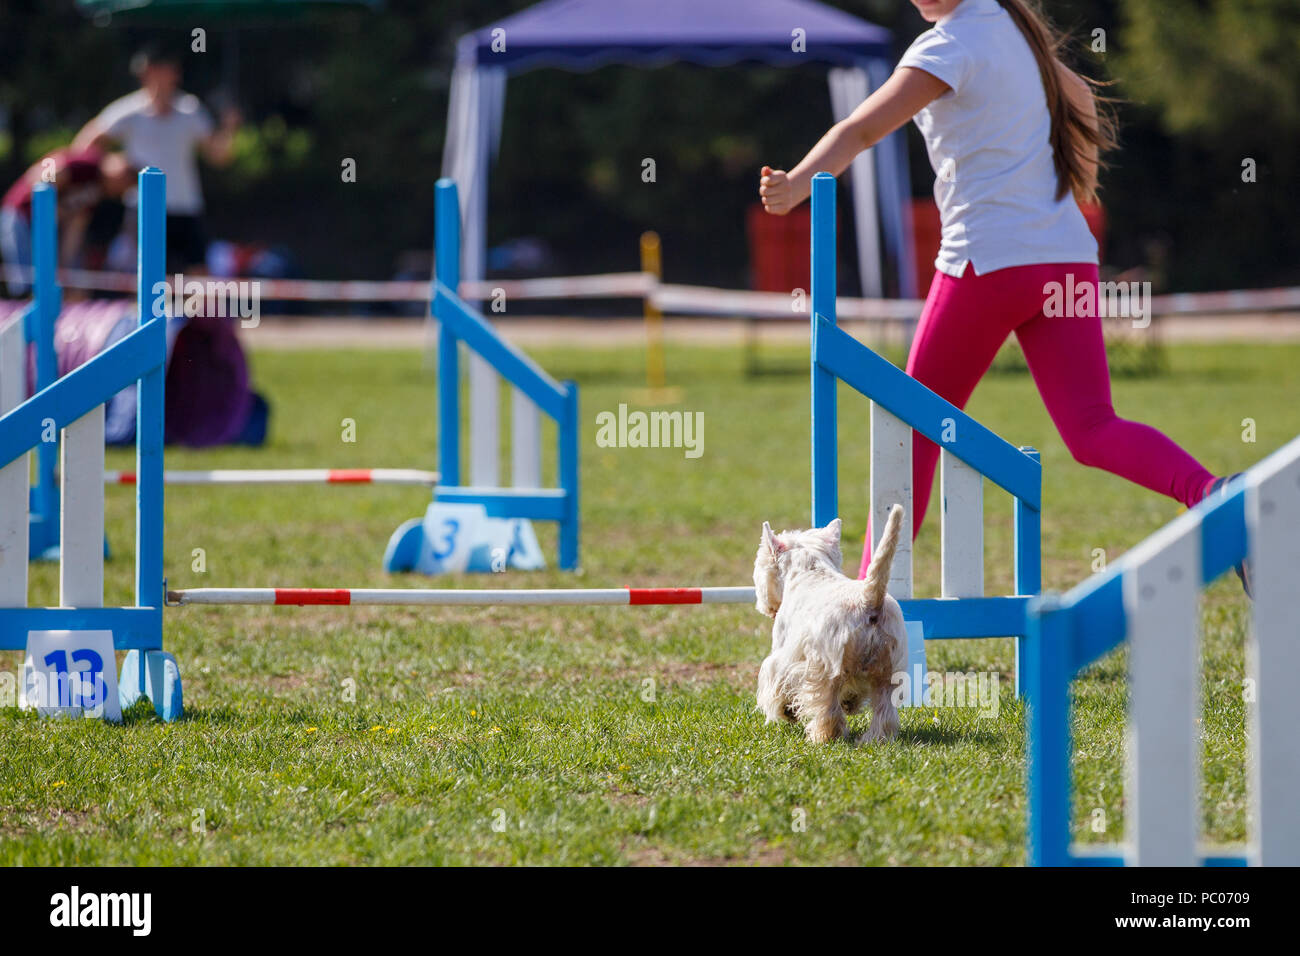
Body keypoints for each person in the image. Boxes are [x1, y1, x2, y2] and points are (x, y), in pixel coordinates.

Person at [759, 0, 1249, 595]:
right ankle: (1217, 496)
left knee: (913, 431)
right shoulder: (1021, 35)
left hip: (987, 262)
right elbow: (1082, 100)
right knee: (1094, 427)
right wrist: (1081, 184)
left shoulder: (947, 46)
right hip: (1066, 260)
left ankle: (864, 599)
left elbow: (861, 130)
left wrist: (795, 186)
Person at [74, 43, 240, 273]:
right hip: (144, 208)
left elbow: (219, 157)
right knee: (146, 275)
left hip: (185, 206)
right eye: (163, 68)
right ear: (147, 72)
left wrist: (230, 129)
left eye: (172, 68)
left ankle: (191, 312)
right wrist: (111, 168)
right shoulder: (129, 110)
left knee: (198, 276)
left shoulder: (190, 109)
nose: (170, 74)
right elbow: (85, 143)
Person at [1, 147, 131, 294]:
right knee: (26, 277)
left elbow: (77, 225)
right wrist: (49, 202)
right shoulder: (89, 163)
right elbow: (46, 170)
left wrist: (66, 265)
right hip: (21, 213)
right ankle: (25, 306)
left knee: (56, 274)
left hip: (47, 225)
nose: (119, 191)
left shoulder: (98, 190)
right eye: (124, 181)